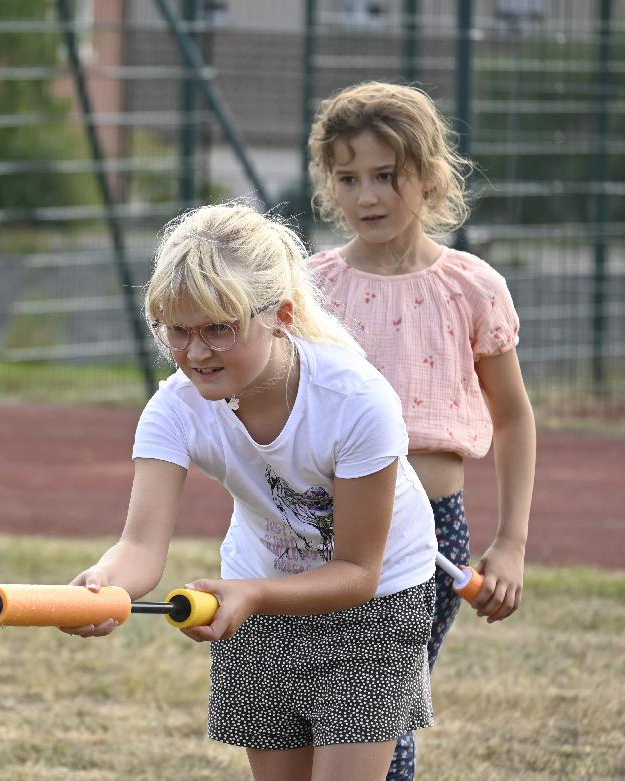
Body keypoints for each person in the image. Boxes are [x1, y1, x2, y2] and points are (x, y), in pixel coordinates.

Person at [62, 202, 438, 781]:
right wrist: (103, 585)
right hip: (255, 589)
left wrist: (252, 595)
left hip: (376, 601)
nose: (195, 352)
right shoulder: (173, 410)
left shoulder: (356, 401)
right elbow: (139, 546)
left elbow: (360, 570)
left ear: (280, 314)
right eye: (177, 331)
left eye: (219, 327)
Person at [306, 81, 537, 780]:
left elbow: (514, 415)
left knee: (384, 708)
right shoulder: (309, 288)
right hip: (325, 529)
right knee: (332, 706)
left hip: (435, 531)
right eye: (347, 178)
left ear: (431, 177)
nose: (366, 196)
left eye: (386, 175)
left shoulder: (472, 287)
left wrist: (513, 543)